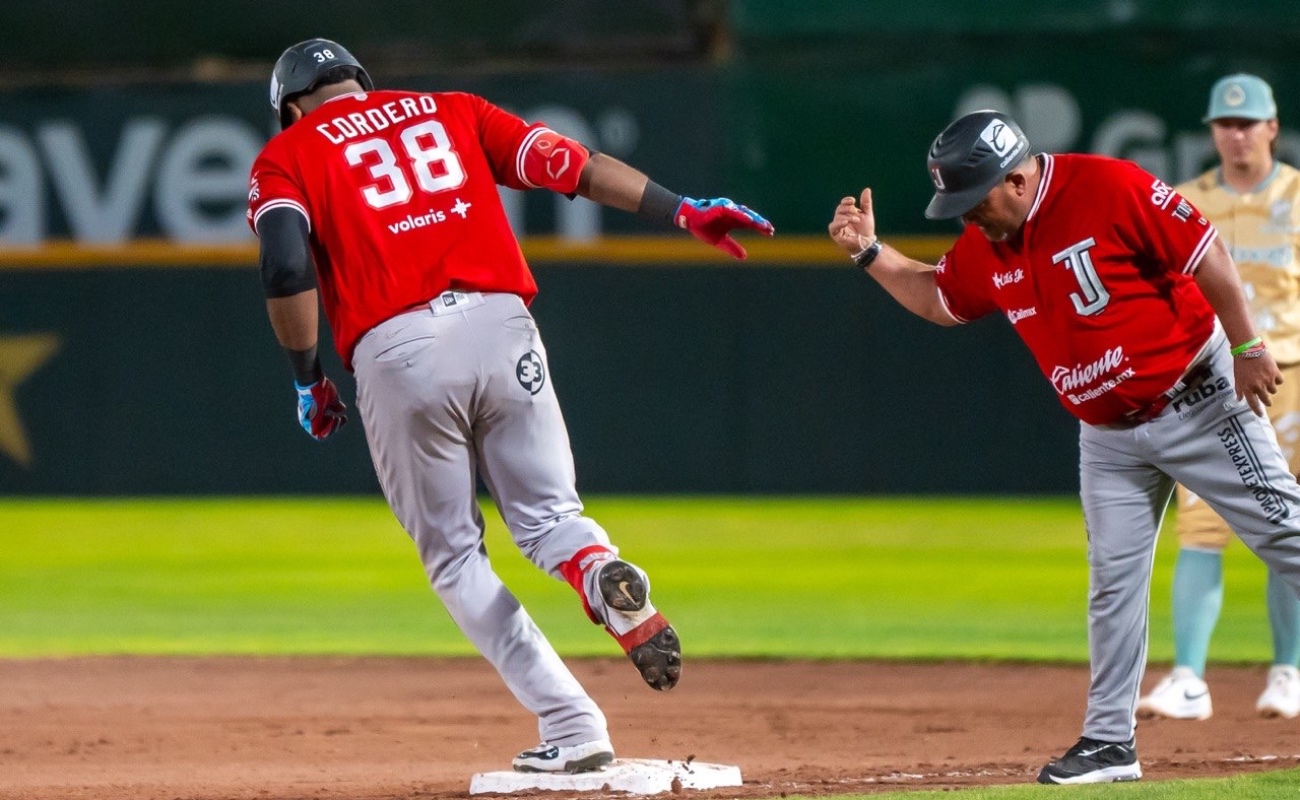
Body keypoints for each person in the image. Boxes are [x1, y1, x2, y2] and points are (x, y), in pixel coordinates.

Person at [247, 38, 773, 775]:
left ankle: (573, 722)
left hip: (399, 348)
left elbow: (285, 261)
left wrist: (308, 377)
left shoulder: (290, 154)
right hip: (502, 325)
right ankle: (598, 573)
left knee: (456, 556)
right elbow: (575, 166)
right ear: (361, 80)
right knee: (552, 515)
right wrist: (681, 209)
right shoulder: (452, 110)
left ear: (292, 107)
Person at [828, 109, 1300, 785]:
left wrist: (1249, 344)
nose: (968, 218)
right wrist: (869, 253)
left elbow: (1208, 254)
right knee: (1112, 586)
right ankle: (1110, 743)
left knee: (1288, 536)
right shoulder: (989, 241)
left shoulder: (1108, 187)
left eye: (975, 200)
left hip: (1198, 400)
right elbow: (939, 297)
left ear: (1017, 180)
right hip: (1108, 437)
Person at [1138, 73, 1300, 722]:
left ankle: (1288, 672)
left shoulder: (1297, 193)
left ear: (1271, 127)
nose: (1235, 134)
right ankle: (1188, 679)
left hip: (1291, 372)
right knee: (1201, 526)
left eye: (1247, 122)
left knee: (1289, 525)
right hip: (1211, 382)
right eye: (1224, 124)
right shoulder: (1183, 199)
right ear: (1212, 131)